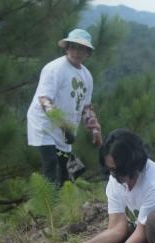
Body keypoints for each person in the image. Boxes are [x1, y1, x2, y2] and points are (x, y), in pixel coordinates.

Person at [27, 28, 103, 186]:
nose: (77, 52)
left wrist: (95, 129)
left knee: (67, 172)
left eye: (82, 48)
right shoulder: (55, 69)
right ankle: (47, 207)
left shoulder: (87, 76)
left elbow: (86, 107)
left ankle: (62, 205)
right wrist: (63, 126)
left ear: (88, 52)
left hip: (66, 128)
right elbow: (44, 100)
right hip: (44, 125)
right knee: (51, 165)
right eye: (74, 47)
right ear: (67, 47)